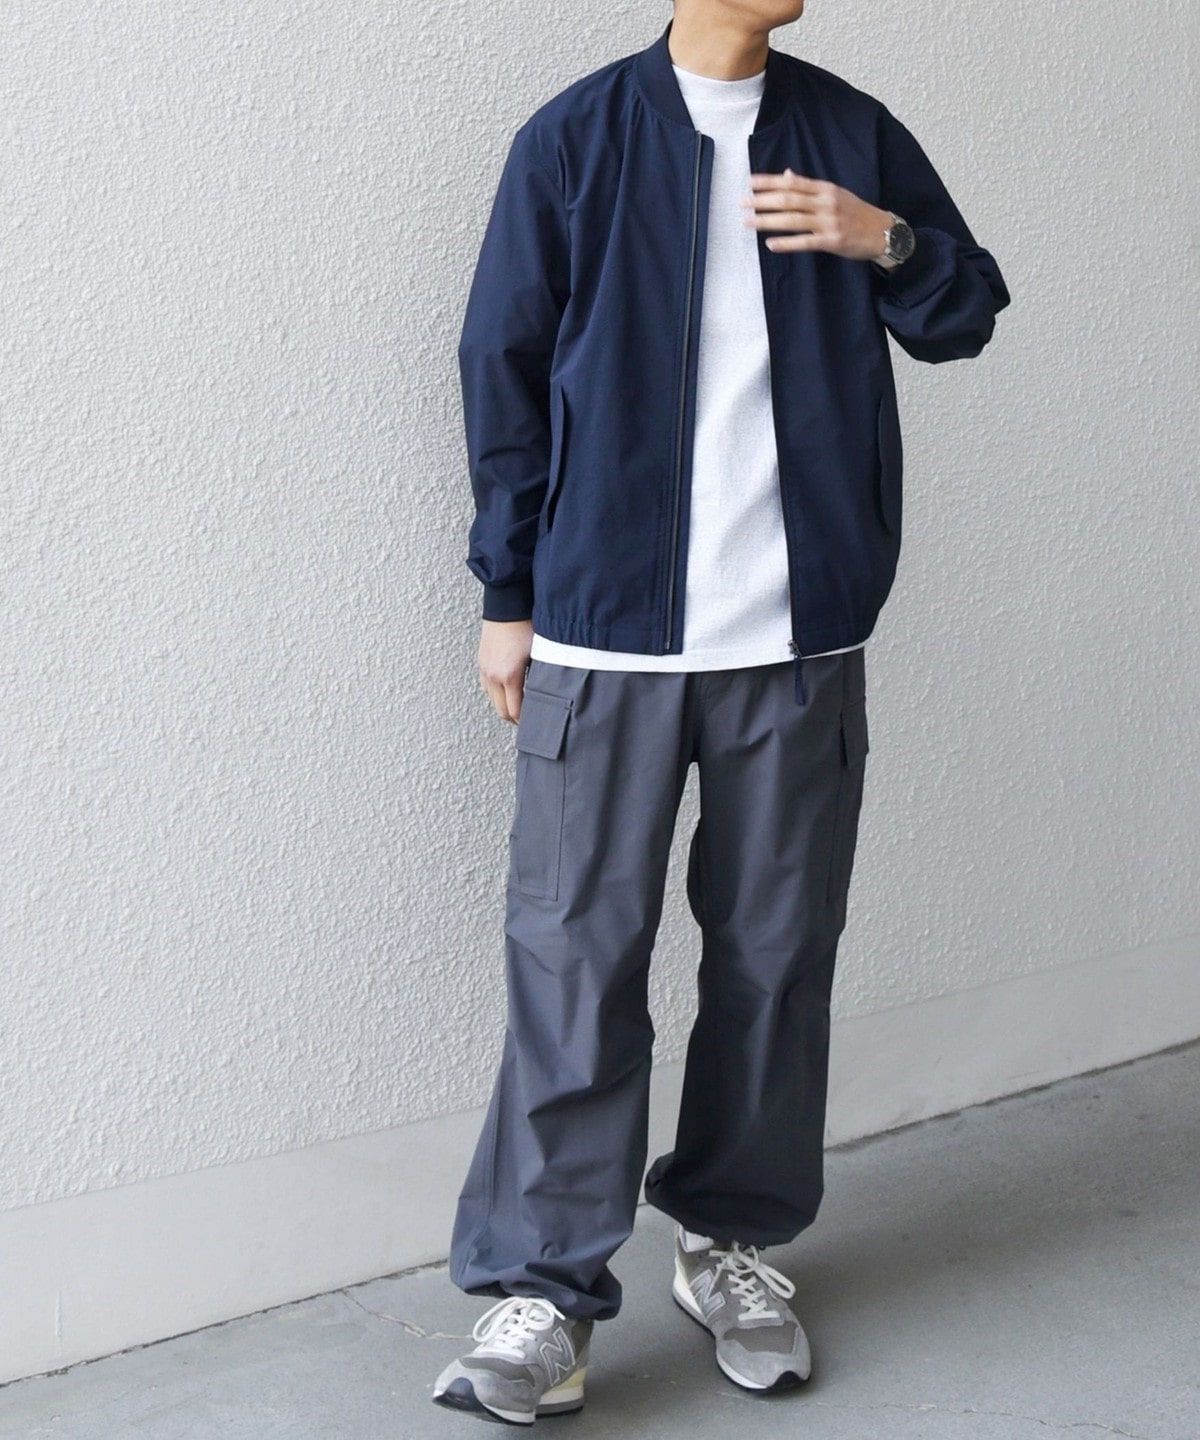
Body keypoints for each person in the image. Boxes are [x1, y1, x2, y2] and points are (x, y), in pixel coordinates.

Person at [433, 0, 1009, 1424]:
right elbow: (502, 365)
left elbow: (965, 312)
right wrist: (507, 591)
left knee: (775, 952)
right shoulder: (576, 141)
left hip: (797, 637)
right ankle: (546, 1290)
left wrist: (886, 240)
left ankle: (730, 1240)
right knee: (576, 956)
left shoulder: (848, 132)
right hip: (604, 636)